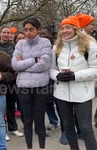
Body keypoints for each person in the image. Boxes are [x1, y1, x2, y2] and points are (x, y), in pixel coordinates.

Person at [49, 16, 97, 150]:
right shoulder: (56, 48)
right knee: (68, 126)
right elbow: (51, 69)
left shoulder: (90, 45)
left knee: (86, 128)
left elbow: (95, 70)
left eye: (68, 27)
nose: (64, 30)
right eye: (62, 28)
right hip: (61, 94)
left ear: (76, 29)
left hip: (83, 94)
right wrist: (57, 76)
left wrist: (74, 76)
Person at [12, 17, 52, 150]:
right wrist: (34, 59)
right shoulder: (20, 44)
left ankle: (42, 147)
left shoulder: (45, 42)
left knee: (40, 120)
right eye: (26, 30)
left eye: (31, 29)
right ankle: (29, 147)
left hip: (41, 87)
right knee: (27, 121)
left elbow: (44, 65)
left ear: (38, 30)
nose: (28, 32)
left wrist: (23, 64)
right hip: (23, 88)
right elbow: (15, 65)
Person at [0, 25, 24, 141]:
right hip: (0, 80)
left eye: (8, 33)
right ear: (0, 33)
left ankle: (13, 128)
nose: (6, 34)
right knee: (1, 107)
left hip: (12, 79)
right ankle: (2, 130)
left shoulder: (13, 46)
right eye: (4, 32)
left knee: (11, 105)